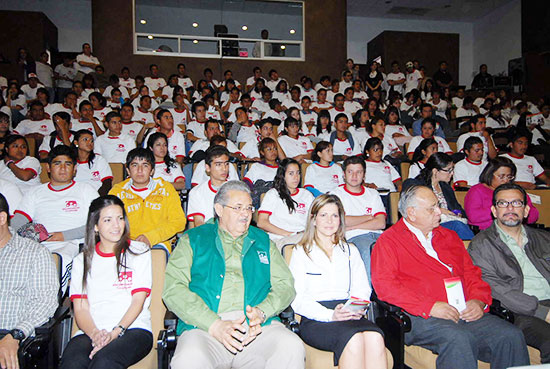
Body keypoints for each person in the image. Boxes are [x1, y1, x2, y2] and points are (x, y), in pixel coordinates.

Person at [372, 185, 529, 368]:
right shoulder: (389, 241)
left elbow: (472, 273)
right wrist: (429, 307)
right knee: (459, 338)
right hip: (420, 315)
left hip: (462, 310)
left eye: (438, 205)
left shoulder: (449, 237)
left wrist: (478, 301)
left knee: (510, 336)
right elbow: (386, 287)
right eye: (432, 208)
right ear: (411, 213)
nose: (439, 212)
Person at [163, 180, 304, 369]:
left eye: (249, 208)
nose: (245, 214)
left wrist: (262, 312)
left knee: (290, 345)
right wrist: (214, 324)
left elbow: (285, 285)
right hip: (205, 329)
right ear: (219, 209)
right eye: (237, 208)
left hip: (258, 329)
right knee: (189, 358)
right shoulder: (194, 239)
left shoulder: (263, 241)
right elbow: (173, 289)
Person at [289, 194, 387, 369]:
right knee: (354, 339)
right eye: (323, 215)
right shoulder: (300, 252)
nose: (329, 221)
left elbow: (362, 290)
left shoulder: (350, 251)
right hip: (316, 317)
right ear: (313, 219)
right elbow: (297, 299)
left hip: (347, 311)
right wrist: (330, 315)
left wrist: (355, 308)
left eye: (334, 215)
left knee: (375, 337)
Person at [60, 195, 152, 369]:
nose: (116, 226)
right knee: (72, 363)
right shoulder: (82, 260)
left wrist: (115, 332)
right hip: (92, 330)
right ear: (95, 226)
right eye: (108, 220)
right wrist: (95, 334)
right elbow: (81, 308)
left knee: (104, 362)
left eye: (120, 218)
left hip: (132, 329)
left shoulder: (139, 252)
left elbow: (138, 301)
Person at [469, 183, 550, 363]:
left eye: (516, 203)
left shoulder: (544, 238)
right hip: (521, 311)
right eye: (503, 204)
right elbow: (497, 290)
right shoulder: (481, 245)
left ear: (526, 210)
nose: (510, 208)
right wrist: (544, 312)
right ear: (494, 210)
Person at [12, 145, 99, 290]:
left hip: (73, 244)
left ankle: (51, 304)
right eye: (57, 163)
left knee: (56, 260)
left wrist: (63, 235)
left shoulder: (86, 190)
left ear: (75, 168)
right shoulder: (35, 192)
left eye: (68, 164)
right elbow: (17, 222)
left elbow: (99, 224)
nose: (63, 168)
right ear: (48, 168)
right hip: (37, 244)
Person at [0, 192, 59, 369]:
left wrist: (15, 335)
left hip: (10, 336)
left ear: (2, 218)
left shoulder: (34, 253)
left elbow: (44, 303)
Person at [109, 148, 186, 252]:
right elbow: (110, 222)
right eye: (135, 165)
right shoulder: (117, 192)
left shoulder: (166, 189)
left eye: (145, 165)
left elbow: (179, 222)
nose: (140, 170)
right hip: (126, 244)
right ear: (128, 170)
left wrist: (151, 237)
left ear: (152, 171)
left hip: (158, 244)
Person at [330, 156, 386, 276]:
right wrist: (368, 217)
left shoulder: (373, 193)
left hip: (378, 234)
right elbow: (342, 221)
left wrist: (354, 225)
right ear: (344, 175)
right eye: (350, 172)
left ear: (364, 175)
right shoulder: (336, 194)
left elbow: (381, 223)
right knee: (367, 248)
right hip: (354, 237)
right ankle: (367, 292)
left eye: (359, 172)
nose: (354, 176)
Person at [403, 153, 474, 240]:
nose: (452, 173)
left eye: (452, 170)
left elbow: (459, 210)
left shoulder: (446, 188)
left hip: (448, 223)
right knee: (457, 226)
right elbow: (411, 208)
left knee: (460, 225)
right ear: (435, 171)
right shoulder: (417, 185)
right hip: (429, 224)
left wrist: (457, 213)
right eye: (448, 170)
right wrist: (440, 211)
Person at [464, 157, 539, 230]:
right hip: (487, 233)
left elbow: (533, 215)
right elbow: (474, 217)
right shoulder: (477, 190)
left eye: (509, 176)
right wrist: (503, 208)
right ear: (489, 174)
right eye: (501, 176)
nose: (506, 180)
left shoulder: (516, 191)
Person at [258, 158, 314, 248]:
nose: (296, 177)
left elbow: (314, 219)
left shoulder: (306, 195)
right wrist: (290, 234)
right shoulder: (273, 194)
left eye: (298, 173)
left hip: (303, 237)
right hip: (280, 239)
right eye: (291, 173)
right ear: (283, 176)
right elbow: (261, 222)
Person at [187, 145, 231, 226]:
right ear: (208, 168)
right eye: (218, 164)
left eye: (226, 164)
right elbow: (199, 223)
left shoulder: (236, 190)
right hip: (207, 234)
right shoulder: (196, 192)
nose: (224, 169)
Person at [72, 129, 113, 195]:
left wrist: (96, 199)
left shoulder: (99, 160)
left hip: (97, 196)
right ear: (76, 143)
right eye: (85, 139)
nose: (89, 143)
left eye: (92, 141)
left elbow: (107, 183)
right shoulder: (70, 162)